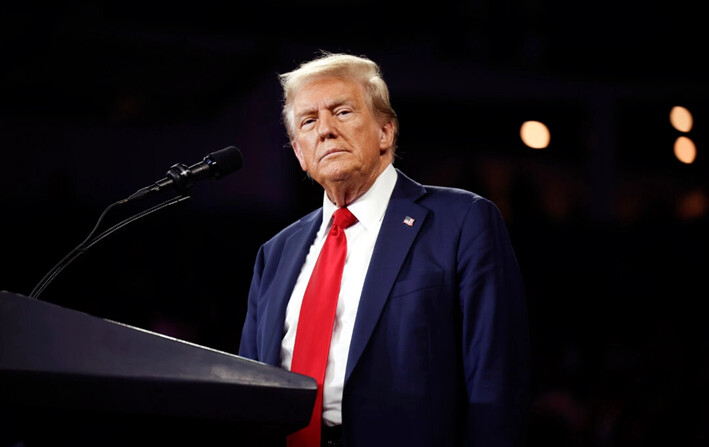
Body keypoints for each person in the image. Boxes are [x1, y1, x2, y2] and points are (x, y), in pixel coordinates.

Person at [239, 51, 530, 447]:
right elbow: (250, 390)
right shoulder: (275, 254)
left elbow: (496, 381)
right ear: (301, 154)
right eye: (309, 121)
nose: (325, 130)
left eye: (341, 112)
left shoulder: (462, 221)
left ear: (385, 132)